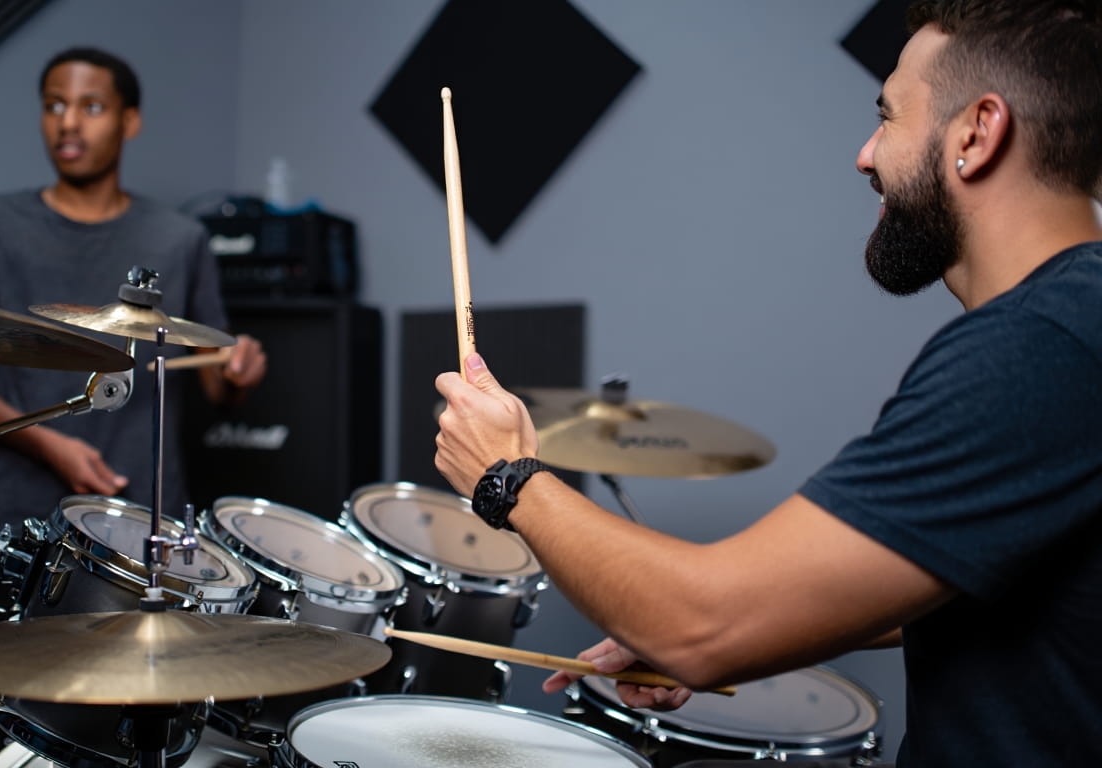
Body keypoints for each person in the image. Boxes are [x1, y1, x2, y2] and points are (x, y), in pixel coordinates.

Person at [434, 1, 1102, 766]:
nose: (864, 155)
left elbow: (703, 624)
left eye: (887, 118)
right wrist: (755, 627)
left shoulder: (1040, 346)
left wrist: (508, 475)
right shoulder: (1073, 325)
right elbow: (986, 571)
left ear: (976, 135)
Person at [0, 46, 266, 766]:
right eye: (53, 104)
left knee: (132, 743)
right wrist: (50, 446)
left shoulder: (179, 239)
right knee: (7, 744)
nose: (67, 122)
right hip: (15, 529)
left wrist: (239, 368)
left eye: (90, 105)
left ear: (129, 120)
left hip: (145, 536)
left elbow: (212, 382)